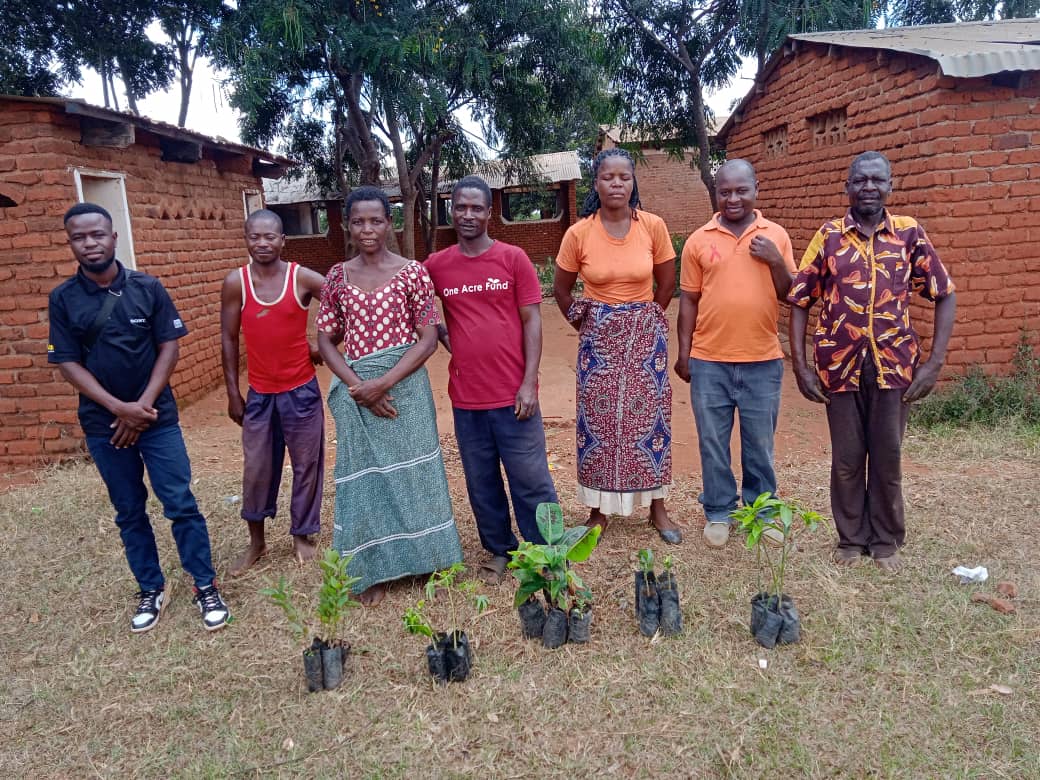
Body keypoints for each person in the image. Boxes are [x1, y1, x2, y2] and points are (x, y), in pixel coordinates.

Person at [47, 203, 229, 633]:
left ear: (113, 237)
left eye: (97, 234)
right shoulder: (63, 299)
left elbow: (169, 345)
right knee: (128, 510)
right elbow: (68, 363)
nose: (89, 243)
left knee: (180, 503)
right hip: (104, 425)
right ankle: (150, 587)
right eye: (79, 237)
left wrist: (143, 405)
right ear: (71, 242)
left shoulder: (148, 287)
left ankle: (205, 585)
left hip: (157, 419)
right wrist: (119, 409)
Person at [788, 151, 956, 572]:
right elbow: (799, 299)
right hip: (839, 367)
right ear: (846, 187)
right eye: (860, 180)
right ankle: (850, 538)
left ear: (890, 186)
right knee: (847, 459)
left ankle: (884, 540)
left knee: (887, 454)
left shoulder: (908, 235)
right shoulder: (828, 236)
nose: (868, 187)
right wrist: (801, 365)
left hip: (895, 365)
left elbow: (944, 292)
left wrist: (934, 363)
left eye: (877, 180)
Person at [316, 186, 463, 606]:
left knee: (417, 473)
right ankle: (372, 569)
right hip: (358, 389)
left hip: (406, 388)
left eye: (376, 220)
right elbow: (325, 339)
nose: (367, 229)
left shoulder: (413, 272)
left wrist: (383, 384)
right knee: (367, 481)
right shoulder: (336, 278)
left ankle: (428, 558)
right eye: (358, 221)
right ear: (347, 225)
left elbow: (429, 338)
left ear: (389, 222)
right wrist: (357, 386)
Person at [424, 175, 557, 584]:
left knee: (531, 478)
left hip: (513, 395)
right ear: (452, 210)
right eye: (460, 207)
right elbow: (414, 305)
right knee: (482, 482)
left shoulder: (513, 258)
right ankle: (499, 550)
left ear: (488, 211)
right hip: (467, 398)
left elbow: (532, 320)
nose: (467, 215)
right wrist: (448, 339)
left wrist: (528, 382)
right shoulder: (437, 265)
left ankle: (547, 553)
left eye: (476, 208)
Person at [553, 148, 682, 544]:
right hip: (599, 341)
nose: (616, 184)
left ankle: (657, 507)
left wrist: (645, 319)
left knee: (651, 420)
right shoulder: (579, 233)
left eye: (624, 177)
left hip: (646, 338)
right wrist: (589, 322)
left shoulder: (653, 226)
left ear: (633, 182)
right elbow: (561, 290)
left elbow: (666, 283)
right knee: (599, 424)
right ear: (596, 182)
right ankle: (597, 510)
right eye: (608, 177)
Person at [674, 159, 796, 548]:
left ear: (756, 189)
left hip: (763, 359)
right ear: (716, 193)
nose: (733, 198)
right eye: (725, 191)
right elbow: (688, 301)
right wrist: (685, 352)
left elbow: (790, 294)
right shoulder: (698, 240)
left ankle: (762, 511)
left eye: (741, 190)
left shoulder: (775, 235)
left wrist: (775, 260)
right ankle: (718, 512)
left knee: (759, 443)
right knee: (713, 442)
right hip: (710, 361)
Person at [220, 209, 326, 575]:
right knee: (257, 469)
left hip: (301, 391)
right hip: (260, 395)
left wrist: (321, 347)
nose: (262, 243)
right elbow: (229, 337)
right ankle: (257, 541)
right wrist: (234, 392)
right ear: (246, 239)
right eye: (254, 237)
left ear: (283, 240)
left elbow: (343, 303)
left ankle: (302, 536)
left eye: (270, 237)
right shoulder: (237, 282)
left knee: (306, 465)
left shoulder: (302, 278)